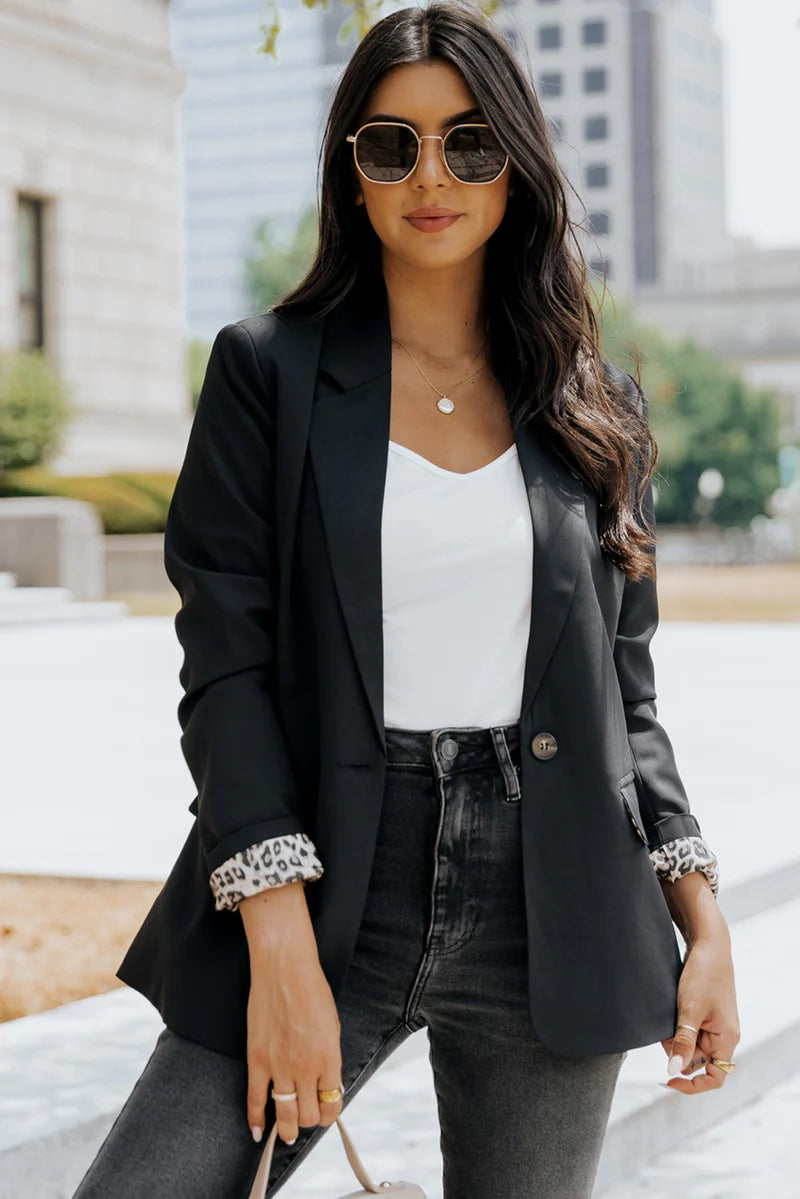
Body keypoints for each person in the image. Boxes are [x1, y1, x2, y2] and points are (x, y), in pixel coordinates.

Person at [72, 4, 739, 1196]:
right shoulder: (265, 372)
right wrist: (278, 943)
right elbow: (225, 667)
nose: (430, 176)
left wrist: (703, 920)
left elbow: (624, 701)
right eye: (392, 145)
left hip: (555, 896)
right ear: (353, 171)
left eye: (468, 143)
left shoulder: (593, 404)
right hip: (325, 874)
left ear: (516, 164)